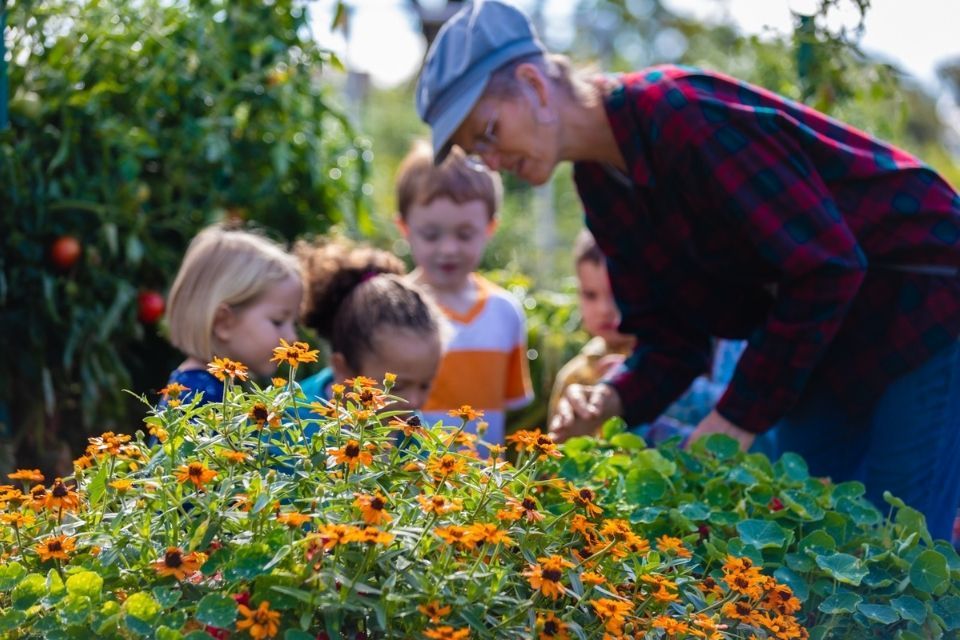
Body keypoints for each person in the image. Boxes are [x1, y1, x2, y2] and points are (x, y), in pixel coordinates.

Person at [415, 0, 960, 540]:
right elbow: (673, 338)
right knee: (816, 535)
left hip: (919, 301)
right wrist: (613, 398)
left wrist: (736, 418)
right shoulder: (600, 185)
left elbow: (827, 266)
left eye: (486, 131)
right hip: (826, 336)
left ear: (534, 86)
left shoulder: (682, 113)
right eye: (473, 152)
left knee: (902, 548)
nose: (490, 158)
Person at [395, 141, 534, 446]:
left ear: (489, 228)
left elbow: (510, 412)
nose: (448, 249)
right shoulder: (393, 309)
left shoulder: (505, 311)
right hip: (406, 487)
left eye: (465, 234)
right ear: (404, 227)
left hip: (481, 490)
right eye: (431, 235)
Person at [297, 241, 444, 414]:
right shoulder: (287, 422)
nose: (414, 402)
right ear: (342, 369)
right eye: (396, 387)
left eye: (425, 385)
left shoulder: (411, 429)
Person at [164, 225, 303, 406]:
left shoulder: (209, 387)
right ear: (223, 322)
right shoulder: (199, 397)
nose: (293, 338)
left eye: (294, 323)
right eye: (278, 321)